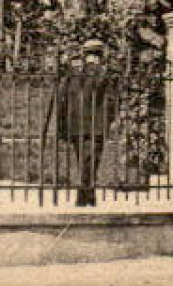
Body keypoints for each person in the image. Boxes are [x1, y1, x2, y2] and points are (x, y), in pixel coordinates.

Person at [43, 38, 118, 207]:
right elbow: (111, 101)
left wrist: (62, 126)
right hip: (96, 127)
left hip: (75, 126)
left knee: (84, 161)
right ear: (101, 54)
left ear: (85, 54)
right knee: (90, 161)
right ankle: (83, 195)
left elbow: (62, 100)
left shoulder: (72, 74)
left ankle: (89, 197)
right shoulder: (104, 74)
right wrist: (110, 120)